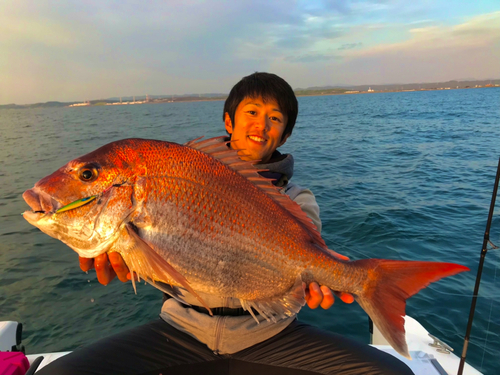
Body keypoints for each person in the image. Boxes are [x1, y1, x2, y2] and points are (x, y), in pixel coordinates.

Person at [39, 72, 413, 374]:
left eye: (275, 118)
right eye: (252, 111)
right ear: (228, 120)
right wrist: (124, 259)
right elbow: (160, 261)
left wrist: (328, 274)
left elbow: (310, 254)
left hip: (271, 335)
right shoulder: (183, 173)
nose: (261, 124)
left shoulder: (297, 198)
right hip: (181, 330)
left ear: (284, 134)